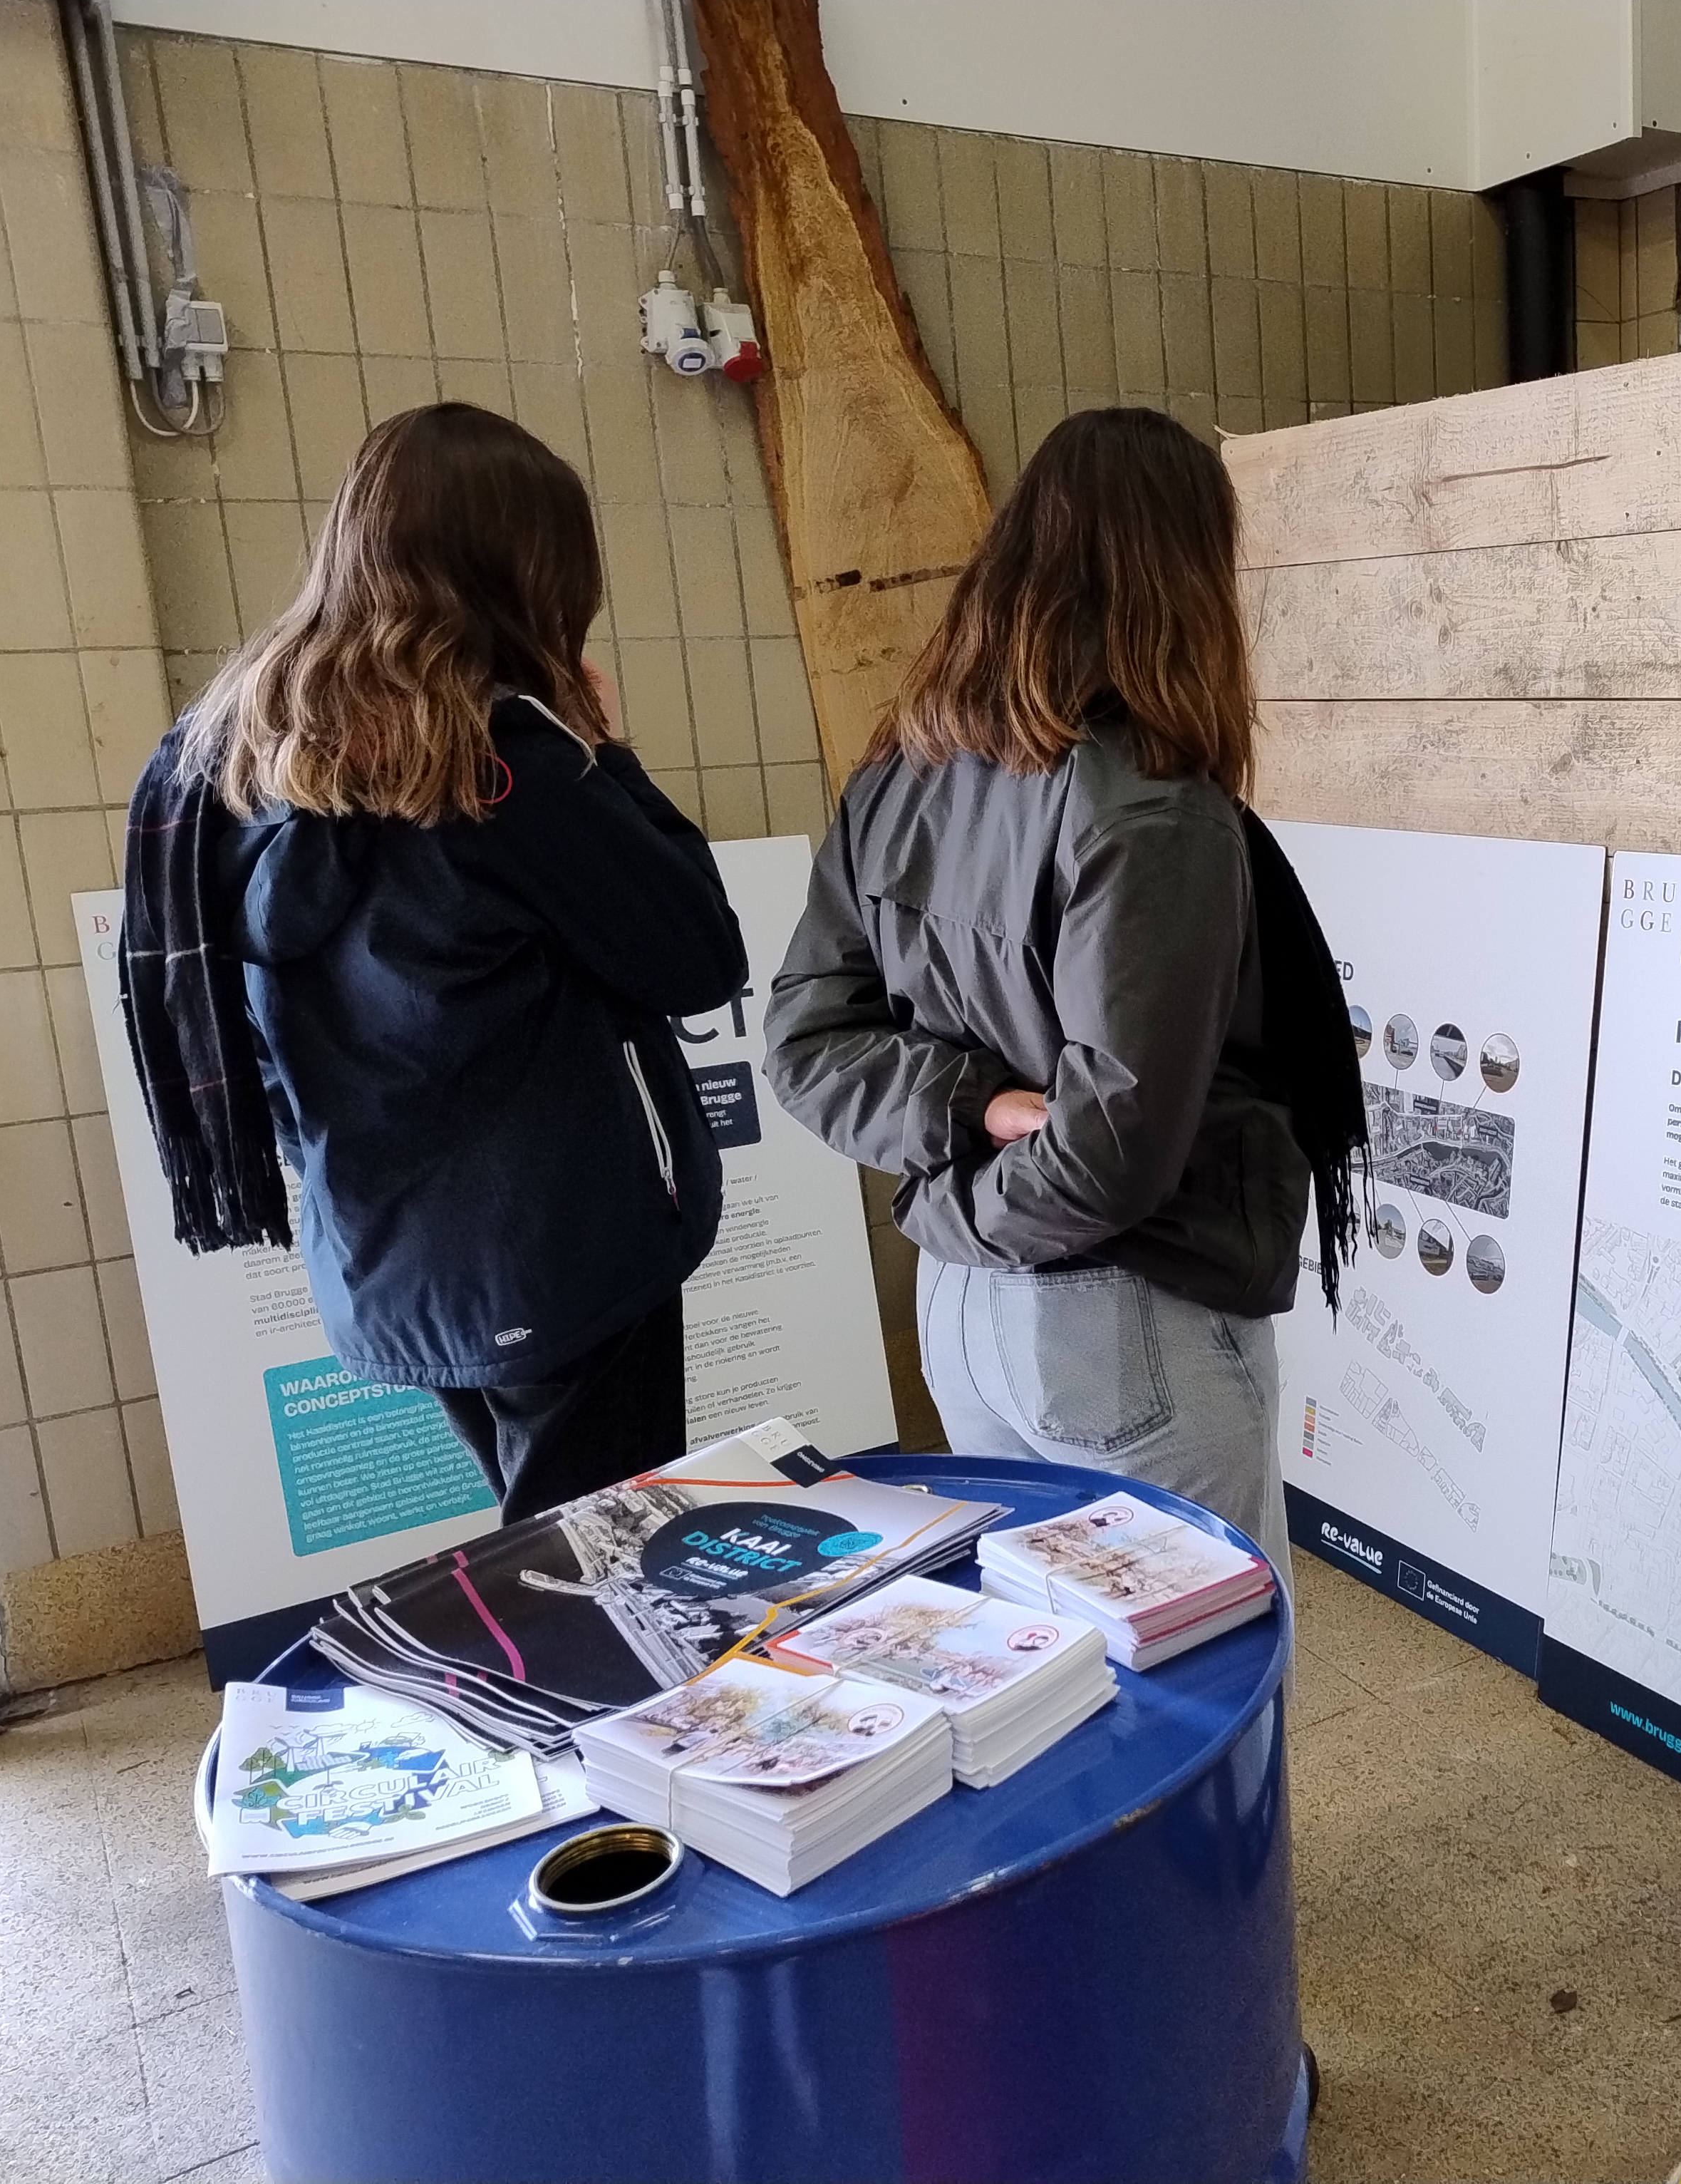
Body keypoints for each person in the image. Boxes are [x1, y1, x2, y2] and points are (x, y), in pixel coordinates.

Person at [764, 408, 1365, 1582]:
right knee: (1201, 1701)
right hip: (1126, 1320)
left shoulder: (897, 775)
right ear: (1185, 572)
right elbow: (1109, 1155)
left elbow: (804, 1041)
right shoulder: (1152, 806)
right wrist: (966, 1154)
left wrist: (956, 1142)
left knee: (1059, 1686)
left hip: (968, 1322)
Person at [118, 403, 748, 1520]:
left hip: (384, 1253)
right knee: (597, 1589)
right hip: (558, 1253)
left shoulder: (228, 759)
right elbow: (696, 952)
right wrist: (603, 752)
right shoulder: (499, 763)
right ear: (525, 573)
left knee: (548, 1546)